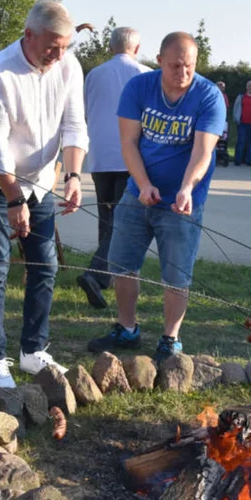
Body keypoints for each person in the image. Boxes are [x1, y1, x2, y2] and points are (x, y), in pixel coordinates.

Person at [86, 32, 226, 361]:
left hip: (183, 200)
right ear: (159, 60)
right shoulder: (139, 87)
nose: (182, 73)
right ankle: (127, 328)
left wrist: (187, 187)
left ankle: (169, 338)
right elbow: (128, 143)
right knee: (122, 263)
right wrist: (143, 183)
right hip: (138, 192)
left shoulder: (208, 96)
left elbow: (203, 151)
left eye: (189, 66)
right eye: (175, 65)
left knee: (176, 273)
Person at [0, 0, 86, 388]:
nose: (58, 54)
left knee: (45, 267)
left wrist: (72, 175)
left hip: (41, 181)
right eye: (52, 46)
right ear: (28, 35)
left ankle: (33, 351)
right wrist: (13, 199)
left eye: (65, 46)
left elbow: (74, 126)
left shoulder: (68, 65)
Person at [75, 26, 150, 309]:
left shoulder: (93, 74)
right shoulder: (145, 75)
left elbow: (85, 110)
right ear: (137, 48)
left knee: (107, 217)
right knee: (124, 221)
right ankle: (98, 274)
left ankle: (105, 276)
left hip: (100, 157)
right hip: (130, 158)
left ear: (110, 48)